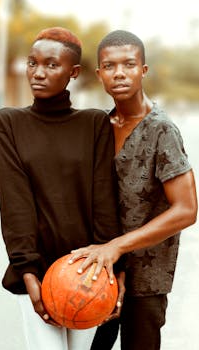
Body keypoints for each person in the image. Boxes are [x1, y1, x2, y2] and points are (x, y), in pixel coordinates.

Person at [0, 27, 125, 350]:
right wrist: (27, 273)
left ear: (73, 72)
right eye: (32, 63)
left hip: (89, 275)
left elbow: (105, 201)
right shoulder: (8, 123)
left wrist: (114, 271)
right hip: (37, 273)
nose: (38, 73)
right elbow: (15, 203)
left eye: (52, 65)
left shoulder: (94, 123)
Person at [69, 30, 198, 350]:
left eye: (129, 64)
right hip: (99, 273)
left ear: (143, 69)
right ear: (99, 74)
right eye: (110, 66)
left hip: (146, 279)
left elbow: (186, 209)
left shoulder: (161, 128)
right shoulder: (100, 125)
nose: (120, 73)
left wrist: (117, 246)